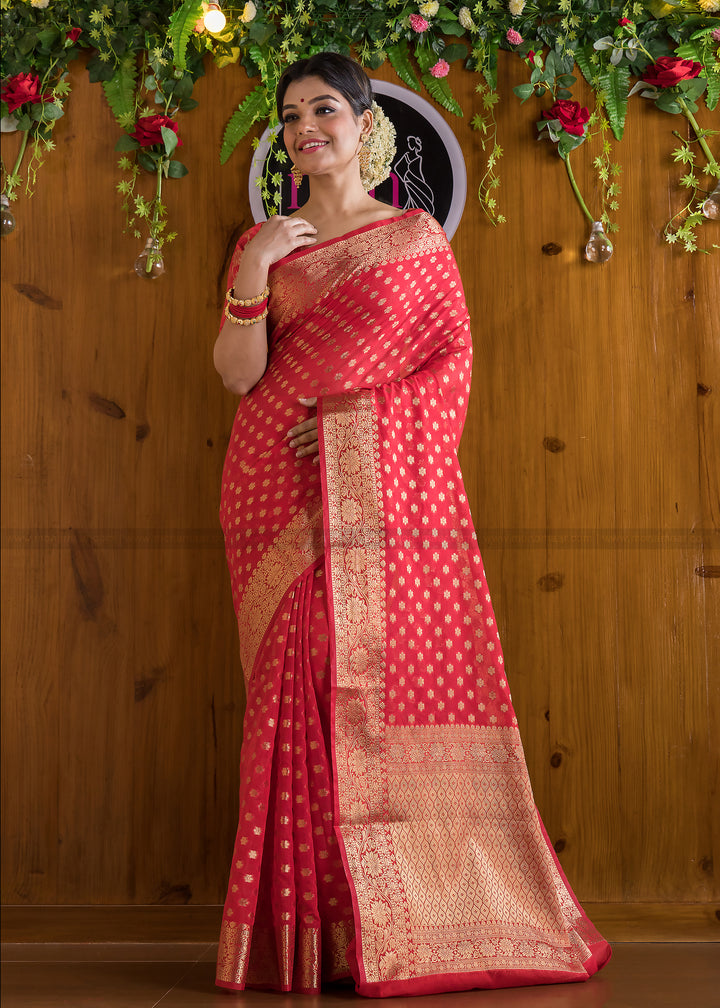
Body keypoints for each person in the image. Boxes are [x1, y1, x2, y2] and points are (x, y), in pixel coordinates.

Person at [213, 52, 611, 998]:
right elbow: (236, 374)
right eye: (291, 114)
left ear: (365, 124)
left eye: (325, 110)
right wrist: (256, 267)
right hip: (273, 485)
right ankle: (314, 941)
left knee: (375, 689)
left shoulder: (417, 238)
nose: (307, 126)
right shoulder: (267, 241)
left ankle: (390, 927)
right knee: (301, 689)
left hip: (382, 489)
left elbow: (451, 371)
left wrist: (358, 427)